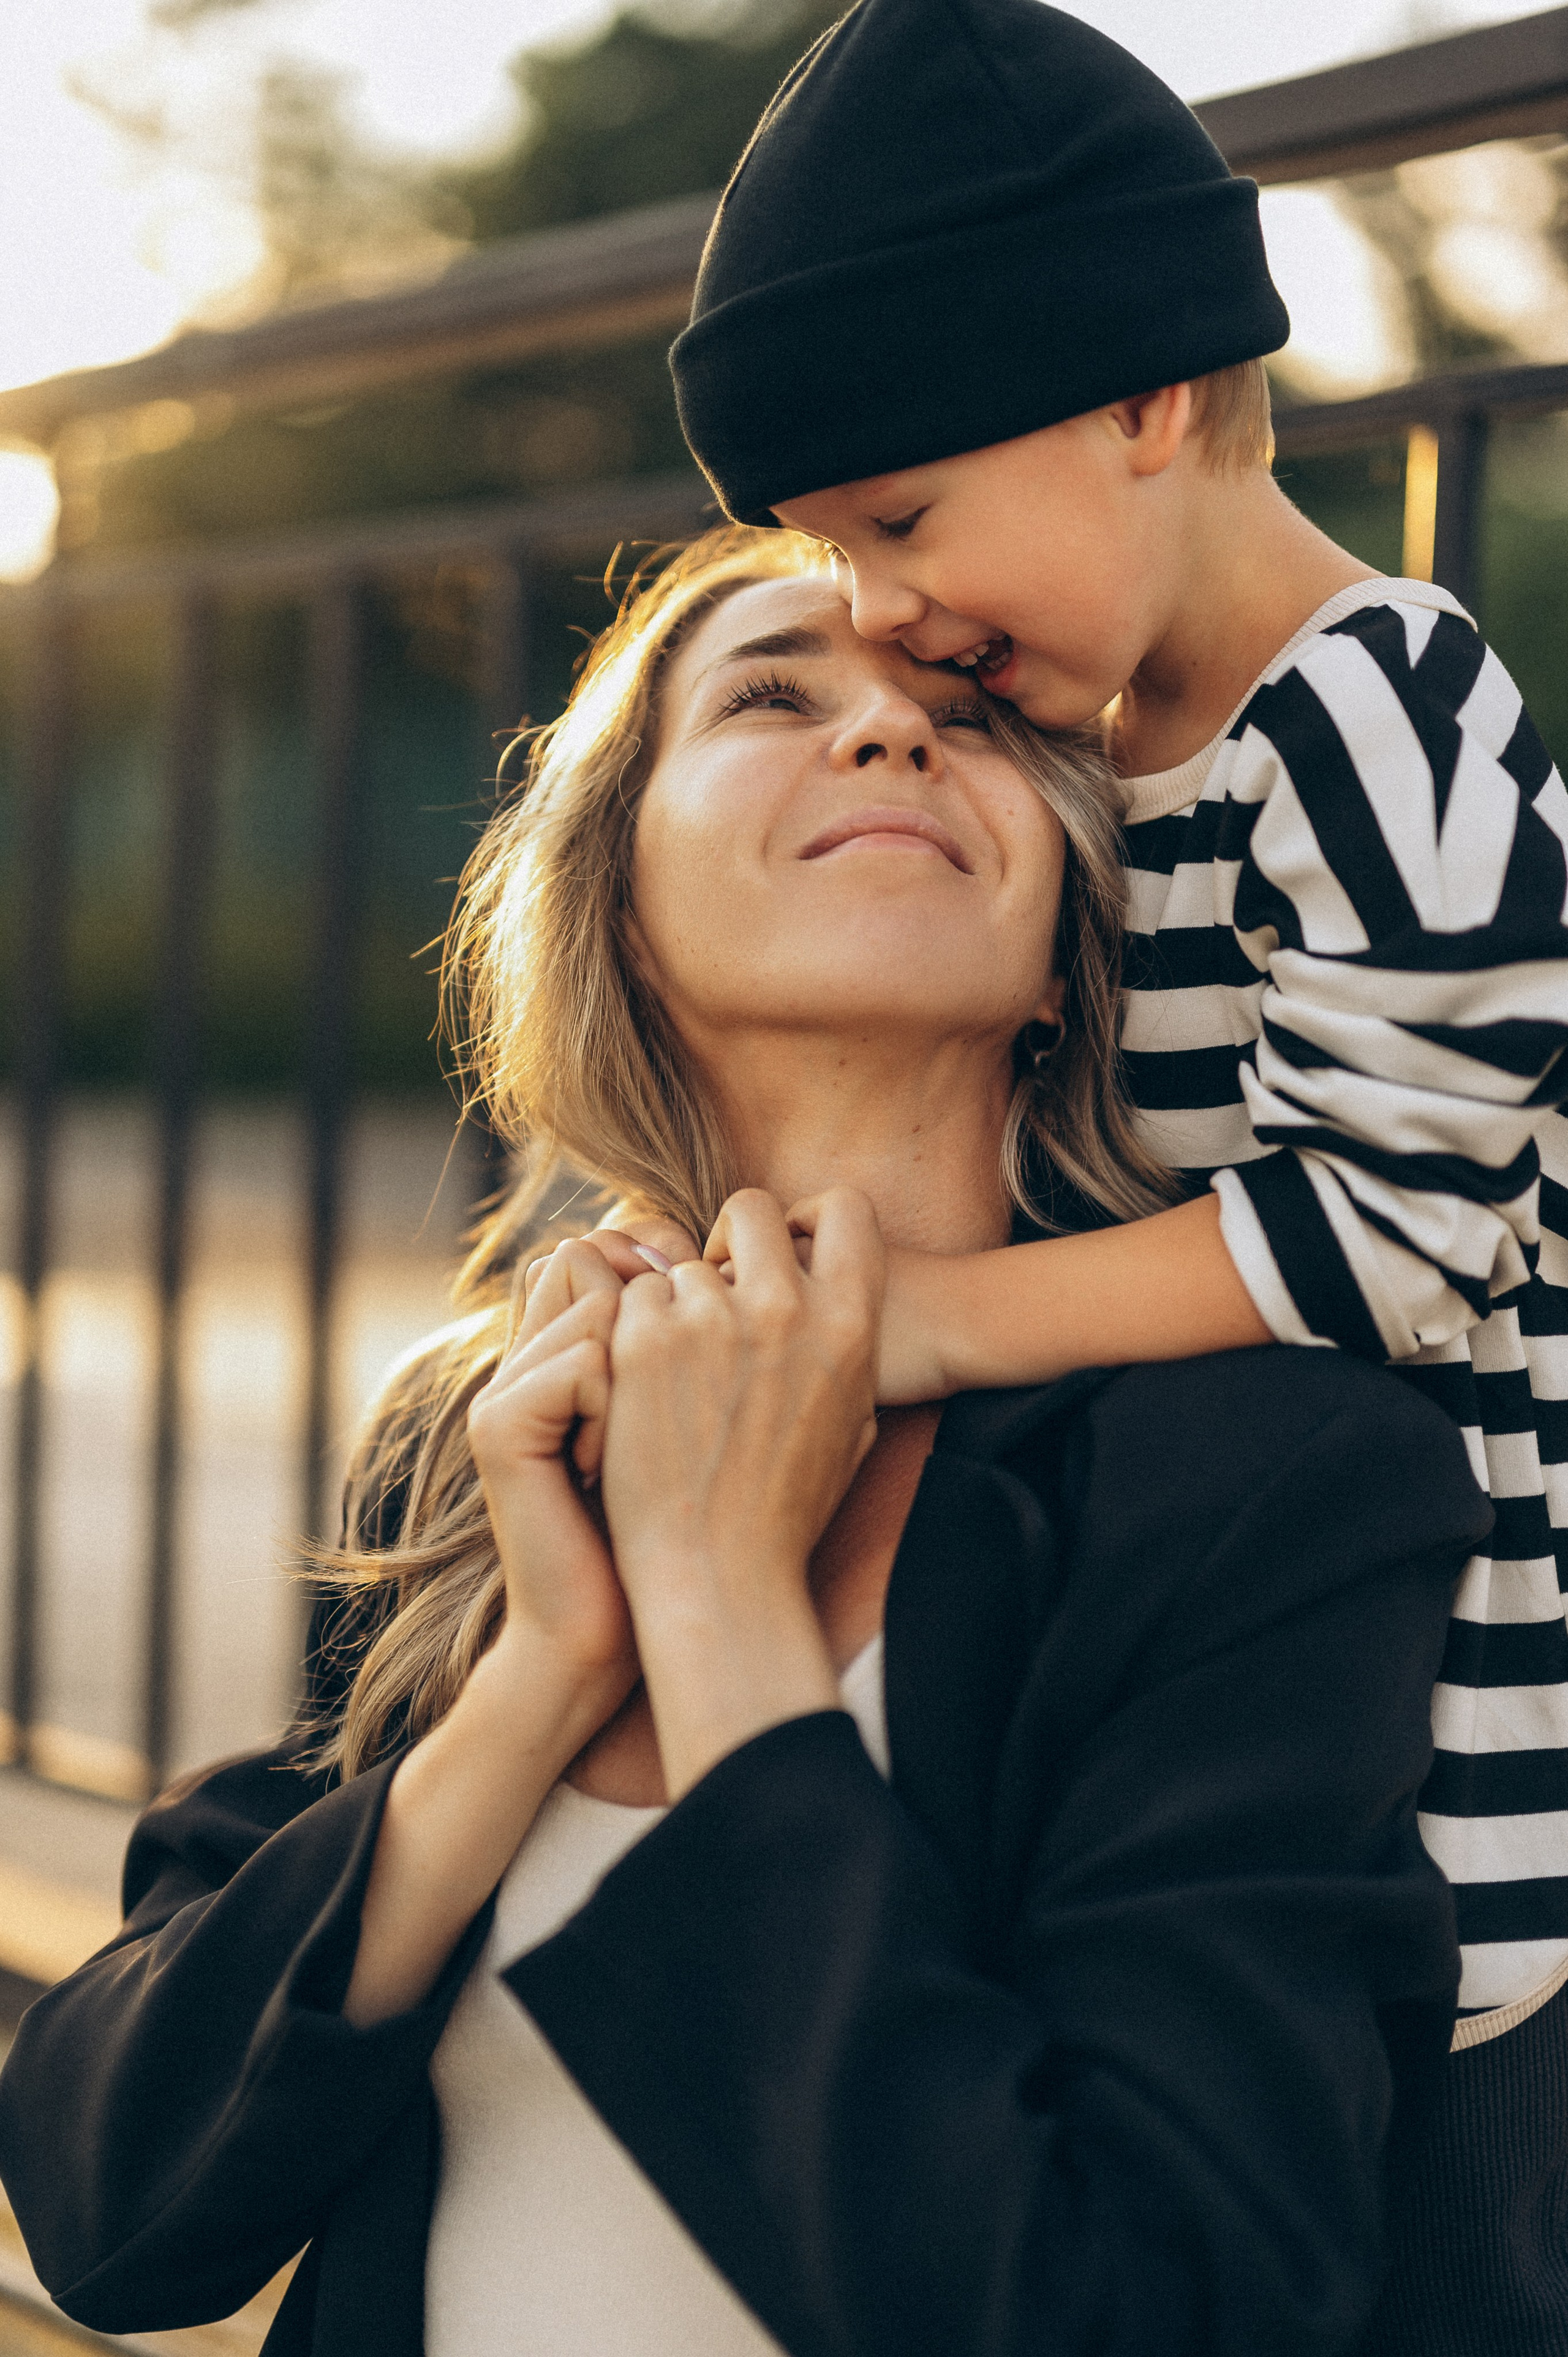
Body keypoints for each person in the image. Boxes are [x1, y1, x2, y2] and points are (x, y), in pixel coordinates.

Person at [0, 528, 1488, 2357]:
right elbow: (112, 2210)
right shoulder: (480, 1432)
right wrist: (545, 1671)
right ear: (620, 902)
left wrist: (717, 1617)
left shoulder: (1267, 1473)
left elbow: (1144, 2307)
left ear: (1061, 950)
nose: (887, 736)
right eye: (775, 694)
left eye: (973, 714)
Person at [663, 6, 1568, 2346]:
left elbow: (1387, 1239)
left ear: (1144, 405)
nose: (874, 615)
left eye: (896, 519)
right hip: (1263, 1741)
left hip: (1481, 1814)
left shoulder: (1389, 720)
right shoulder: (1123, 747)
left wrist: (930, 1322)